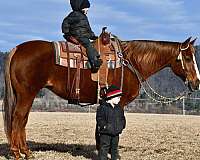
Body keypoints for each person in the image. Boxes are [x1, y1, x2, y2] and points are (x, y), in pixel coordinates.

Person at [62, 0, 102, 73]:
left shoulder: (83, 16)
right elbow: (66, 22)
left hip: (83, 35)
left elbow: (87, 29)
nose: (87, 10)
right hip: (78, 35)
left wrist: (92, 36)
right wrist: (67, 33)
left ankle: (95, 55)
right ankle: (94, 62)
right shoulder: (75, 14)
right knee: (88, 45)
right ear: (81, 7)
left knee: (92, 44)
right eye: (86, 8)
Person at [96, 85, 126, 160]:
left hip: (116, 133)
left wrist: (122, 126)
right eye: (118, 98)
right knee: (104, 149)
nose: (119, 100)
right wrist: (105, 126)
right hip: (105, 133)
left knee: (114, 149)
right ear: (111, 97)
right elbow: (99, 119)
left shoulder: (119, 109)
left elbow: (122, 118)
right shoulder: (102, 108)